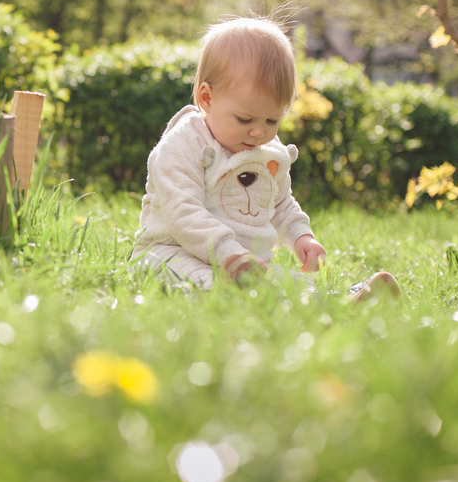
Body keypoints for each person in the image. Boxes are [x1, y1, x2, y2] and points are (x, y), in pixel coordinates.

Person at [130, 16, 399, 302]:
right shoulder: (183, 144)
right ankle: (284, 307)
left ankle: (341, 304)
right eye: (245, 119)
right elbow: (182, 211)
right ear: (207, 98)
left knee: (292, 283)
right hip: (171, 254)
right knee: (211, 287)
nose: (259, 132)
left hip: (245, 264)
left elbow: (281, 203)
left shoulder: (266, 149)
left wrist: (301, 237)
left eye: (273, 119)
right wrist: (228, 254)